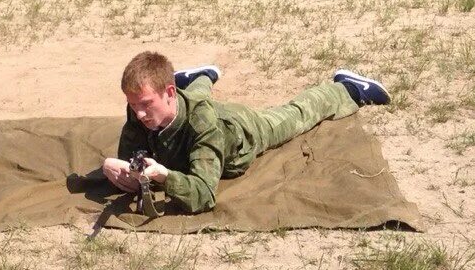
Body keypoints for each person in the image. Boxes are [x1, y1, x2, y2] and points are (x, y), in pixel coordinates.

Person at [101, 52, 390, 214]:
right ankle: (201, 77)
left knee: (295, 116)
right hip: (187, 106)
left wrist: (165, 177)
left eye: (146, 105)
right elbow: (131, 156)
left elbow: (203, 194)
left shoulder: (204, 125)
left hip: (241, 131)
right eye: (133, 105)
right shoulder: (142, 109)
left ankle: (348, 88)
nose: (139, 114)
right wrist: (117, 167)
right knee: (193, 100)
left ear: (168, 92)